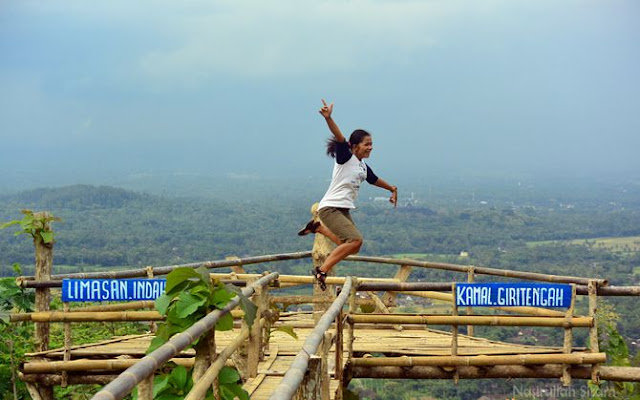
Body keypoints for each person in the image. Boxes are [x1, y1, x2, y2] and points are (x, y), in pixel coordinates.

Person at [298, 99, 398, 290]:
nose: (370, 147)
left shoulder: (361, 165)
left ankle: (318, 228)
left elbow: (374, 179)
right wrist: (329, 118)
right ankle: (322, 270)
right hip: (330, 208)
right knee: (356, 240)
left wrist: (392, 189)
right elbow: (339, 137)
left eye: (372, 144)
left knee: (352, 246)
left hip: (342, 209)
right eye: (367, 144)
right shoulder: (346, 157)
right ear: (355, 145)